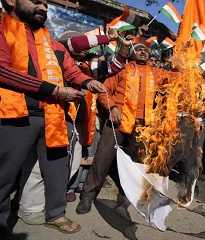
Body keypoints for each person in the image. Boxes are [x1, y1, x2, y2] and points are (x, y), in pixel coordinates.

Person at [0, 0, 106, 236]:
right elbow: (2, 70)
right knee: (4, 174)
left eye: (46, 4)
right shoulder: (3, 28)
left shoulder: (53, 43)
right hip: (15, 115)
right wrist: (54, 90)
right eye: (37, 1)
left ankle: (56, 214)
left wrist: (88, 82)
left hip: (55, 116)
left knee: (58, 169)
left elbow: (71, 71)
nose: (44, 7)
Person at [76, 43, 166, 217]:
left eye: (146, 50)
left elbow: (176, 78)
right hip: (117, 122)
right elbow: (103, 91)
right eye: (139, 49)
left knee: (137, 165)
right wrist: (113, 107)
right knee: (103, 159)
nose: (143, 52)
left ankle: (125, 200)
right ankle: (88, 196)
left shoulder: (156, 72)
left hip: (142, 127)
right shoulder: (121, 70)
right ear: (132, 53)